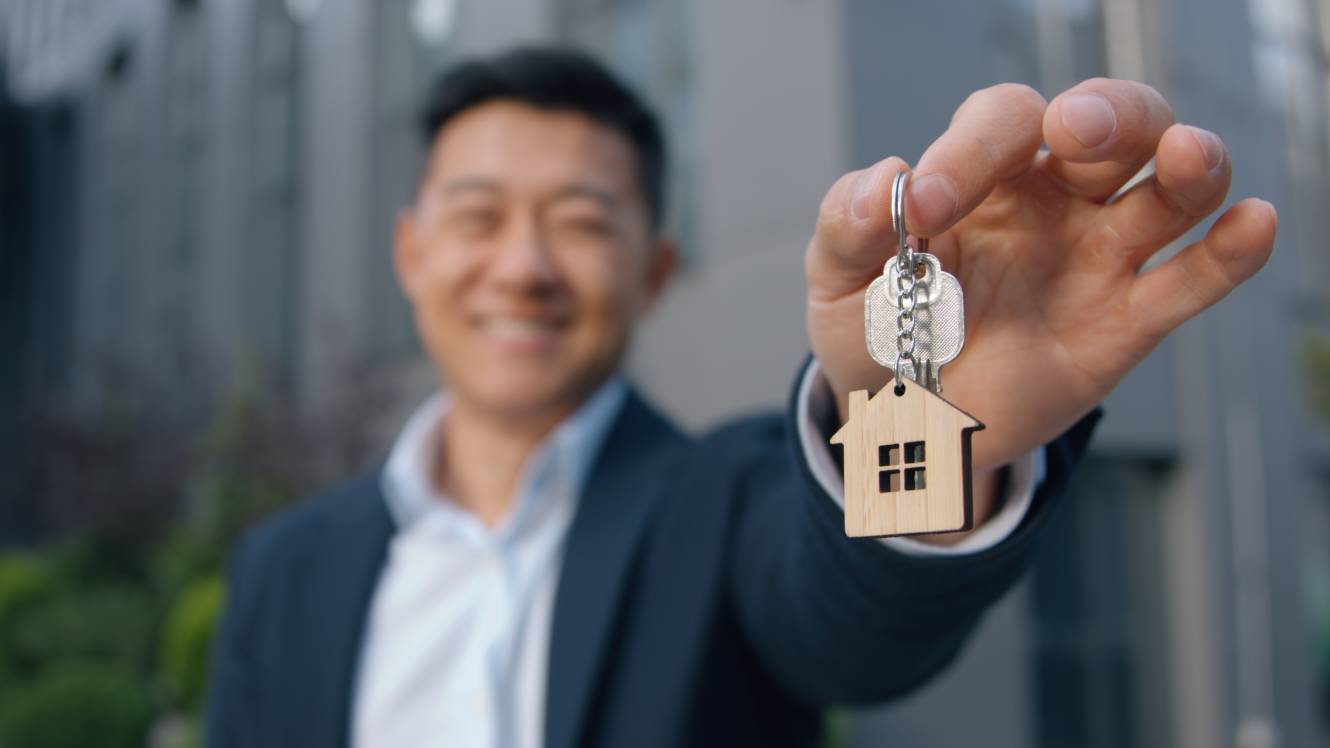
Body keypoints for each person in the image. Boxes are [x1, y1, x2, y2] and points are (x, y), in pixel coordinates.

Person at [205, 47, 1276, 748]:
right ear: (410, 253)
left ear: (655, 270)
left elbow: (855, 636)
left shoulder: (730, 505)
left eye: (579, 222)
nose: (523, 267)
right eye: (478, 217)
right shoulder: (285, 570)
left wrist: (922, 409)